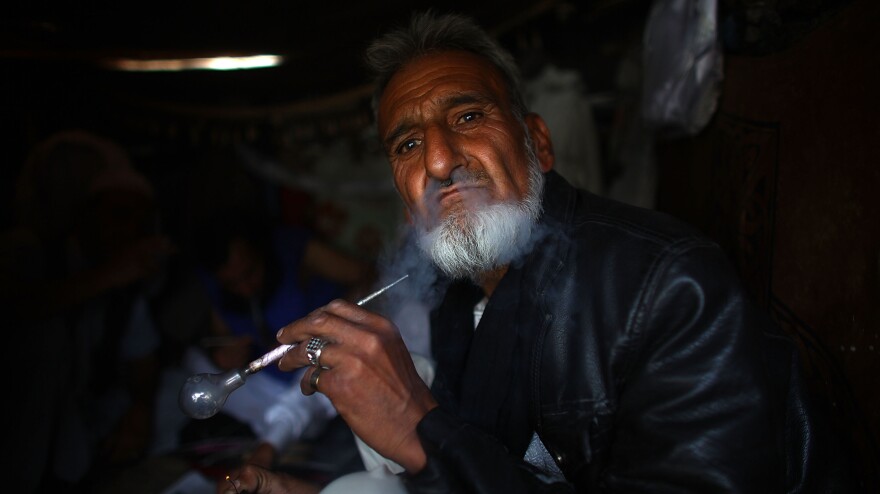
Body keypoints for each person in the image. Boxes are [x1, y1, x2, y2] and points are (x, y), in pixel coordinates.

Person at [221, 10, 850, 494]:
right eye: (408, 145)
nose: (440, 160)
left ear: (538, 145)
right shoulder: (457, 294)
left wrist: (423, 426)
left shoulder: (668, 286)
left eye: (467, 117)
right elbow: (486, 469)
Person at [1, 130, 176, 492]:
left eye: (138, 222)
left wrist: (140, 410)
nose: (128, 229)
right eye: (118, 214)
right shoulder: (29, 251)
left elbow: (142, 361)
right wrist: (110, 275)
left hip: (77, 431)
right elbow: (18, 308)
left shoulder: (126, 287)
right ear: (87, 213)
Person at [180, 208, 376, 488]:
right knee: (194, 362)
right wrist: (223, 353)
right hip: (275, 381)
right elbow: (219, 338)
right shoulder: (216, 282)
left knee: (320, 366)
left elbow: (369, 276)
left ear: (260, 252)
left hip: (317, 360)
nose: (245, 288)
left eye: (250, 274)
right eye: (233, 283)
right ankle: (286, 427)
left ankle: (277, 437)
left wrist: (325, 322)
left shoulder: (295, 249)